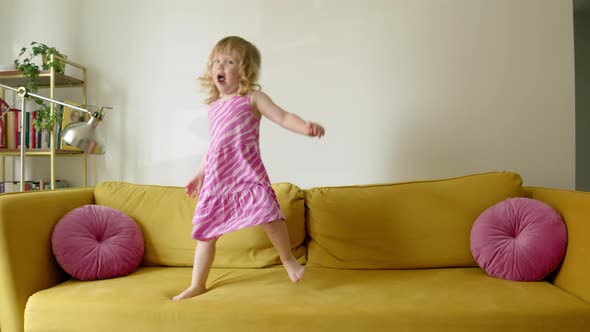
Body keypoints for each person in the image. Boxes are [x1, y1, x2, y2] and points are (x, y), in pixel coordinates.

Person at [173, 36, 325, 301]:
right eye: (217, 61)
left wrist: (305, 128)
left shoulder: (252, 98)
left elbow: (283, 116)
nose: (220, 65)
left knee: (268, 215)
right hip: (218, 180)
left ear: (244, 71)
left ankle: (287, 259)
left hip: (245, 173)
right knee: (206, 235)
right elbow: (213, 146)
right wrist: (200, 174)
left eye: (229, 61)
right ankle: (198, 283)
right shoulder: (214, 107)